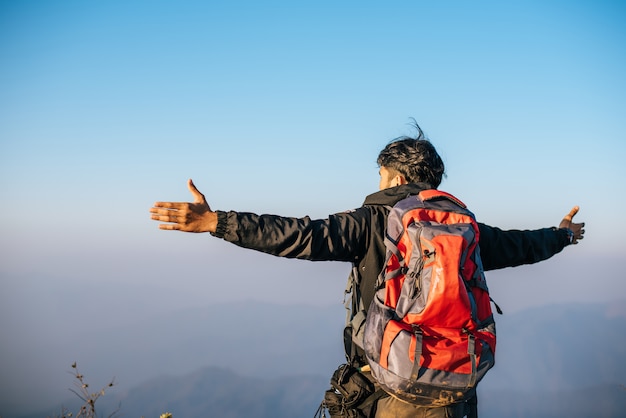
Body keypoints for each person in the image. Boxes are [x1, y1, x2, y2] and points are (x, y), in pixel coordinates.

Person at [149, 124, 585, 417]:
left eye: (380, 174)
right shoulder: (463, 227)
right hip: (457, 389)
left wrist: (216, 222)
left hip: (395, 391)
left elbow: (302, 235)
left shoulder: (374, 221)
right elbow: (524, 244)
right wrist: (562, 234)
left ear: (395, 179)